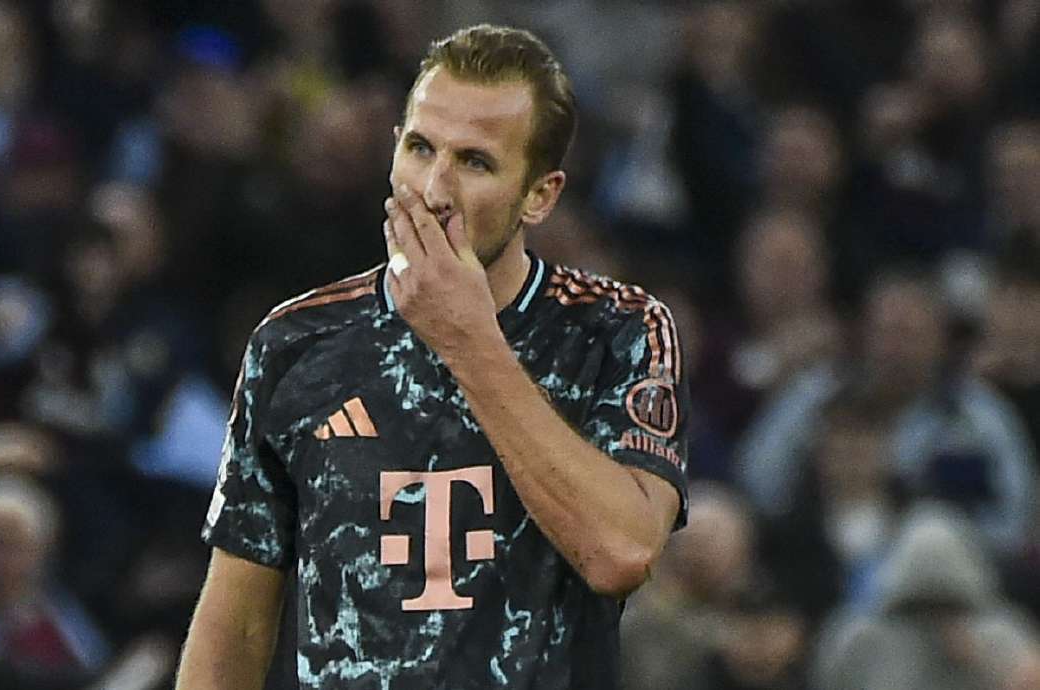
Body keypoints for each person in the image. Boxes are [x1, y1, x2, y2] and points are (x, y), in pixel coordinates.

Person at [177, 24, 689, 689]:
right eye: (420, 148)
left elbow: (621, 552)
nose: (434, 188)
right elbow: (236, 625)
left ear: (540, 194)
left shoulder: (617, 330)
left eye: (475, 162)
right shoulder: (295, 344)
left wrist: (467, 338)